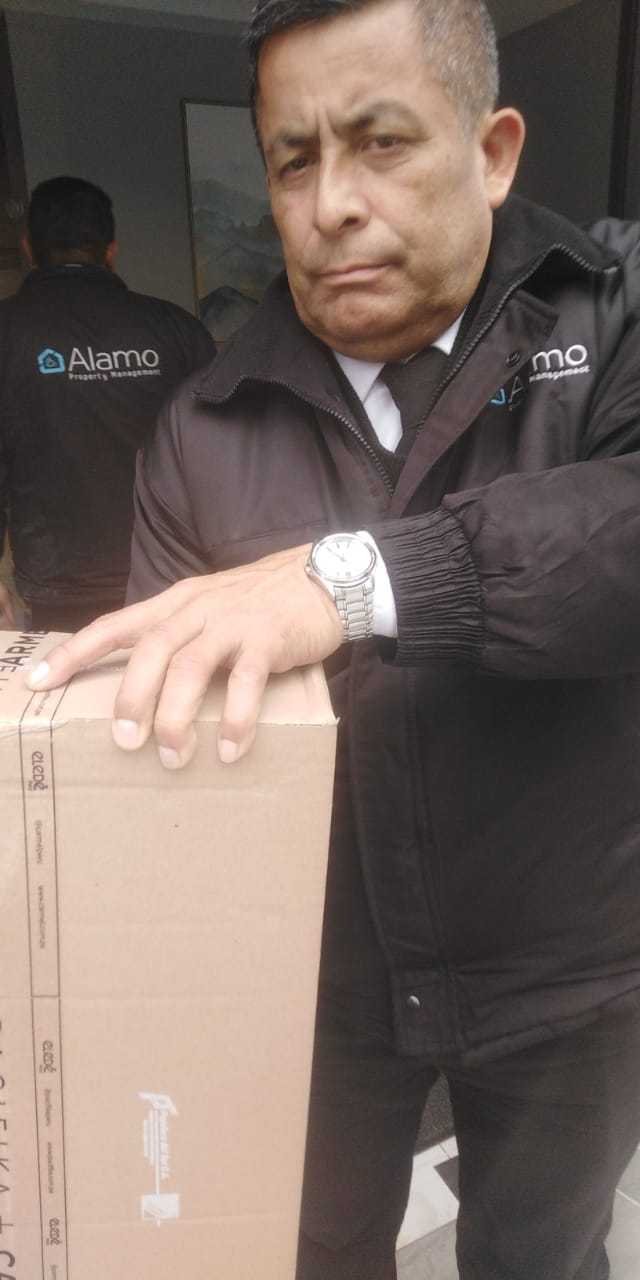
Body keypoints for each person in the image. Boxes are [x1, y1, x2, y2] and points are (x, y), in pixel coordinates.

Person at [28, 2, 640, 1277]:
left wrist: (352, 580)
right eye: (293, 160)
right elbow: (176, 754)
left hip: (570, 967)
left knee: (542, 1255)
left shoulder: (608, 314)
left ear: (492, 151)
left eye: (381, 143)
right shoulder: (205, 421)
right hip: (321, 989)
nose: (329, 207)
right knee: (313, 1251)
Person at [0, 175, 215, 632]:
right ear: (111, 250)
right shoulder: (177, 328)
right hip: (170, 574)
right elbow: (223, 452)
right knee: (168, 676)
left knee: (67, 678)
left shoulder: (6, 331)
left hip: (57, 585)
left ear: (28, 248)